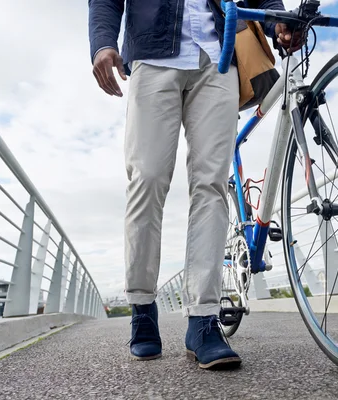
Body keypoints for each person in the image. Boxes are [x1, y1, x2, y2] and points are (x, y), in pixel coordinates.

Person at [89, 0, 301, 369]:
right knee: (148, 178)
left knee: (212, 184)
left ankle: (203, 320)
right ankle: (141, 306)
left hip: (218, 60)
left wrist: (277, 21)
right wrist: (103, 42)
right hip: (154, 54)